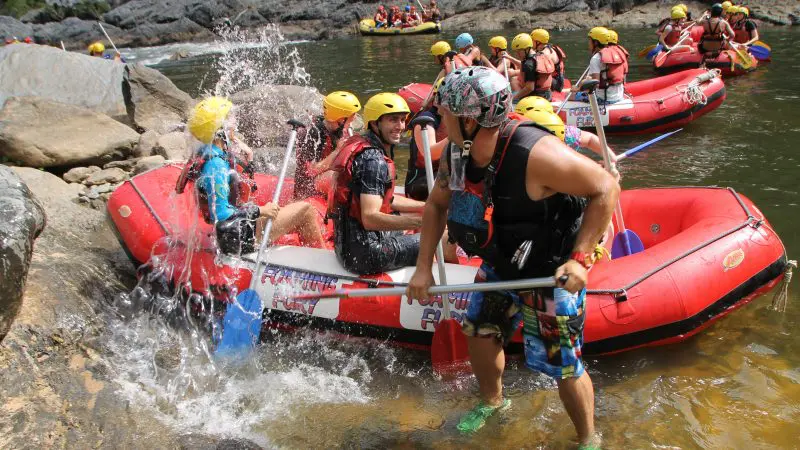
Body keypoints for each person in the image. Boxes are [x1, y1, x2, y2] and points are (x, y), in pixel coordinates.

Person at [406, 66, 618, 446]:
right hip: (502, 262)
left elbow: (606, 187)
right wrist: (423, 269)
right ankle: (493, 403)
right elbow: (437, 206)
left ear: (469, 119)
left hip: (551, 272)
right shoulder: (457, 150)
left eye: (446, 114)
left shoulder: (536, 154)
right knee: (480, 334)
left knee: (563, 365)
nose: (441, 121)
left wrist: (581, 258)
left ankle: (588, 438)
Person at [179, 97, 326, 255]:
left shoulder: (206, 151)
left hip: (236, 229)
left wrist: (239, 144)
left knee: (290, 208)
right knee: (306, 210)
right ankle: (322, 262)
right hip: (238, 236)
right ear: (220, 129)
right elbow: (221, 214)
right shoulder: (216, 166)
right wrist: (260, 210)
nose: (234, 122)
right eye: (229, 118)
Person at [328, 93, 428, 274]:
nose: (400, 126)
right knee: (435, 236)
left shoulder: (366, 146)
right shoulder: (373, 161)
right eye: (392, 120)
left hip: (347, 247)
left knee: (414, 219)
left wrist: (426, 207)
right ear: (375, 124)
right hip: (366, 255)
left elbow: (386, 201)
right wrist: (422, 222)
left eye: (402, 120)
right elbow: (370, 218)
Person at [294, 91, 361, 199]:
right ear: (340, 119)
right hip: (308, 186)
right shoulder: (314, 133)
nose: (355, 118)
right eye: (352, 115)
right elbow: (312, 170)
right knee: (339, 175)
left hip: (323, 178)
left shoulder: (340, 129)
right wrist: (338, 151)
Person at [515, 102, 619, 170]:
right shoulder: (521, 149)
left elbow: (590, 139)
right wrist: (596, 168)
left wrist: (610, 158)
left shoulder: (565, 133)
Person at [405, 80, 449, 201]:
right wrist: (457, 136)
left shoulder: (456, 120)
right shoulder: (424, 121)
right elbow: (430, 153)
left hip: (440, 174)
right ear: (436, 99)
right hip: (421, 182)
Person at [572, 27, 627, 104]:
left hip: (602, 100)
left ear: (596, 42)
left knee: (570, 95)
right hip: (619, 97)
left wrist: (577, 89)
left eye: (590, 40)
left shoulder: (596, 58)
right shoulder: (617, 53)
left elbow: (594, 84)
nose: (588, 43)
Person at [505, 33, 555, 101]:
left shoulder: (528, 64)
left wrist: (513, 99)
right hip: (547, 95)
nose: (517, 55)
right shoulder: (539, 55)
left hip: (535, 98)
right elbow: (525, 66)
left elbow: (529, 88)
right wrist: (509, 58)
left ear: (527, 49)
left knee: (508, 99)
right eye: (516, 52)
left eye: (519, 51)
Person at [531, 28, 568, 93]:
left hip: (556, 84)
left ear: (538, 42)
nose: (531, 43)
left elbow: (535, 70)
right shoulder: (550, 47)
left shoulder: (545, 54)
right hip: (559, 79)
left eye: (532, 41)